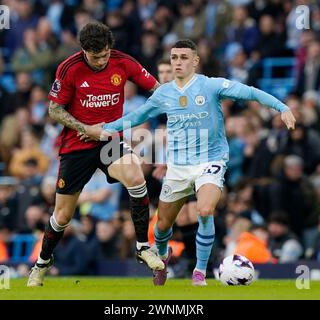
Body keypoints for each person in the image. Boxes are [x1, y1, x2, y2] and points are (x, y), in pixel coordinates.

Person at [86, 39, 296, 285]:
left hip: (211, 160)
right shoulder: (164, 93)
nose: (177, 62)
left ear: (195, 61)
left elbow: (249, 92)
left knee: (205, 210)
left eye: (183, 57)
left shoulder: (211, 85)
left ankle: (199, 272)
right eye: (174, 57)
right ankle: (162, 258)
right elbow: (136, 116)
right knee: (162, 225)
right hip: (178, 167)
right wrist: (103, 129)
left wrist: (282, 107)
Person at [27, 22, 164, 287]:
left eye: (105, 55)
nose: (101, 61)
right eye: (95, 56)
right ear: (84, 51)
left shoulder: (123, 62)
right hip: (76, 147)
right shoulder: (69, 68)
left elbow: (157, 89)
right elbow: (54, 110)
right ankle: (42, 262)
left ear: (110, 48)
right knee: (63, 216)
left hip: (108, 141)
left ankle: (142, 247)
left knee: (136, 176)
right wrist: (86, 128)